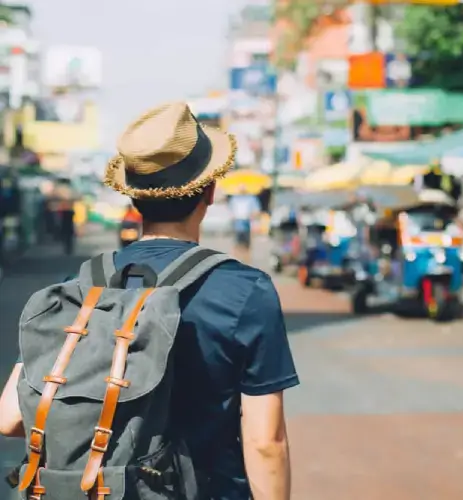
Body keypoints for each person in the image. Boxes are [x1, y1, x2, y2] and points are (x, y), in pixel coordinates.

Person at [0, 102, 298, 500]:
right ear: (209, 191)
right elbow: (266, 442)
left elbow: (10, 418)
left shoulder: (79, 287)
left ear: (133, 198)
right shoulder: (245, 290)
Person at [228, 185, 261, 260]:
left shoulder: (251, 198)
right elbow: (230, 210)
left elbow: (256, 210)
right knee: (237, 243)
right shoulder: (234, 198)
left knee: (247, 244)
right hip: (237, 222)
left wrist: (253, 216)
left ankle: (247, 260)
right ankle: (236, 259)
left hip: (247, 222)